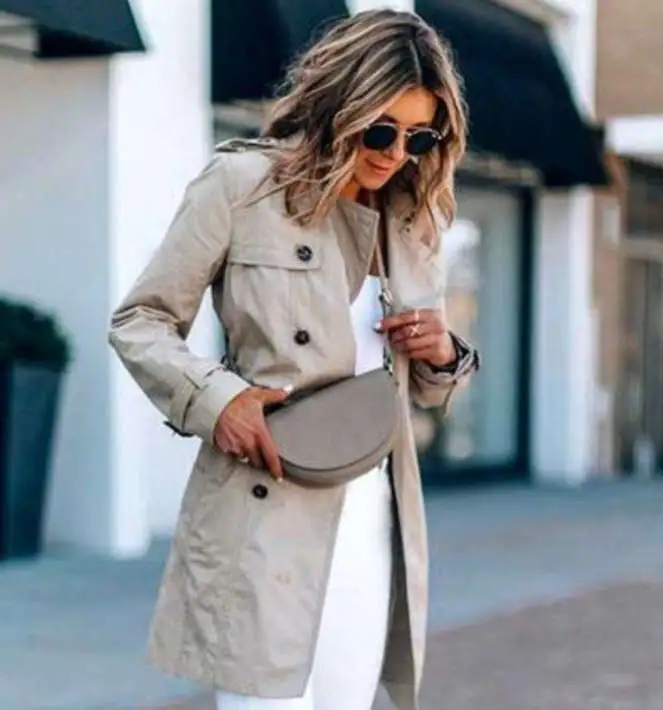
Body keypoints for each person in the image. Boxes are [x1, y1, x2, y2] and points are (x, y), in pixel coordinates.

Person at [108, 9, 479, 710]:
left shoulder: (411, 218)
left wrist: (443, 353)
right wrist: (218, 400)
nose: (396, 153)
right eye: (380, 130)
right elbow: (140, 320)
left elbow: (422, 393)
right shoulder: (244, 185)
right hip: (263, 510)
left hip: (369, 518)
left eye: (419, 137)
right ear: (341, 104)